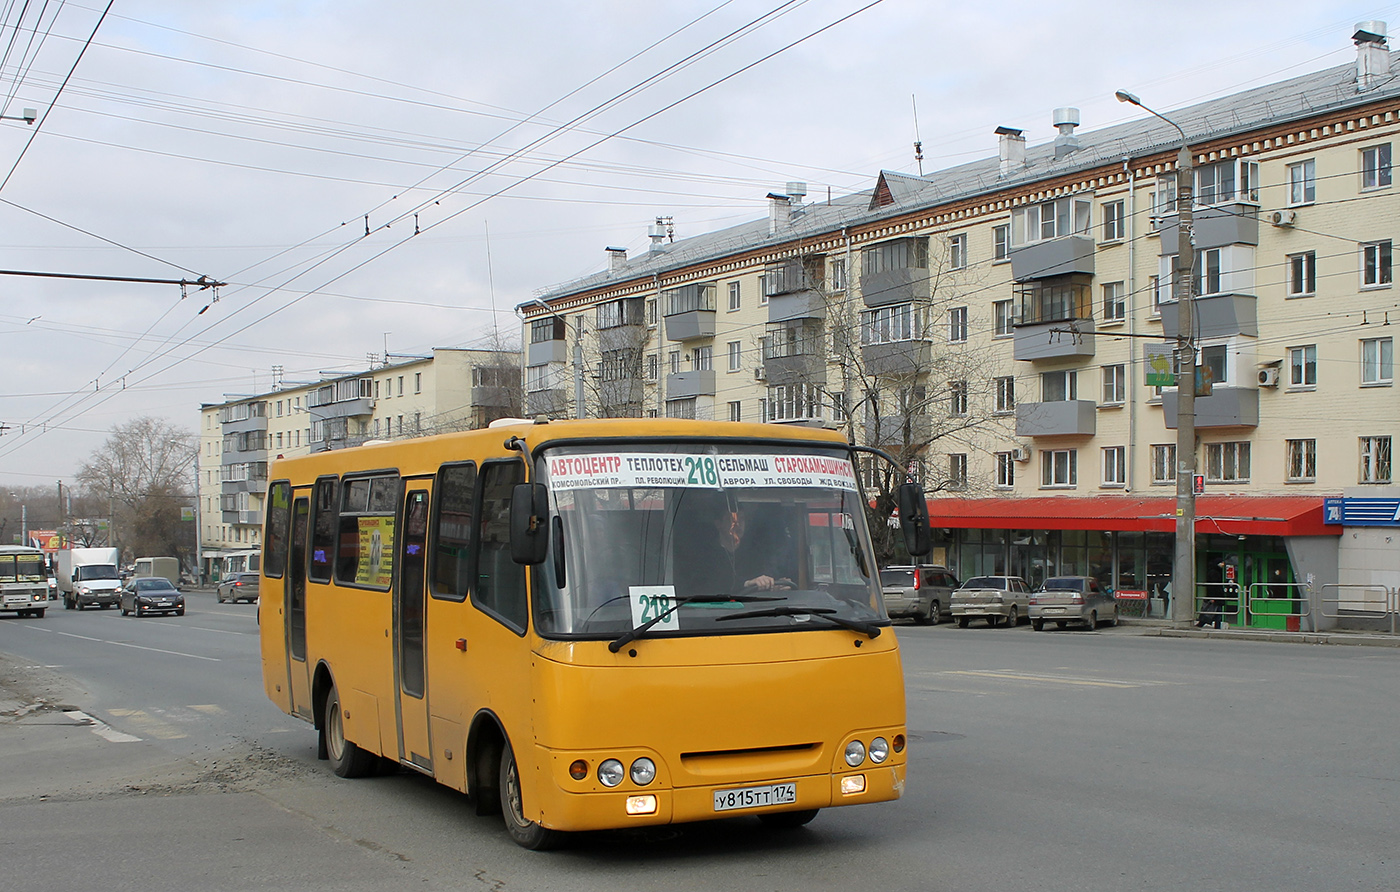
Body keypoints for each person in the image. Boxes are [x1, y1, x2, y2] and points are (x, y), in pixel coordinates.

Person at [674, 491, 792, 596]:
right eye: (732, 520)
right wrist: (747, 583)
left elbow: (763, 580)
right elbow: (709, 586)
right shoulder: (704, 556)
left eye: (741, 519)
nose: (738, 525)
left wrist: (772, 586)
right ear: (718, 524)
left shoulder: (756, 555)